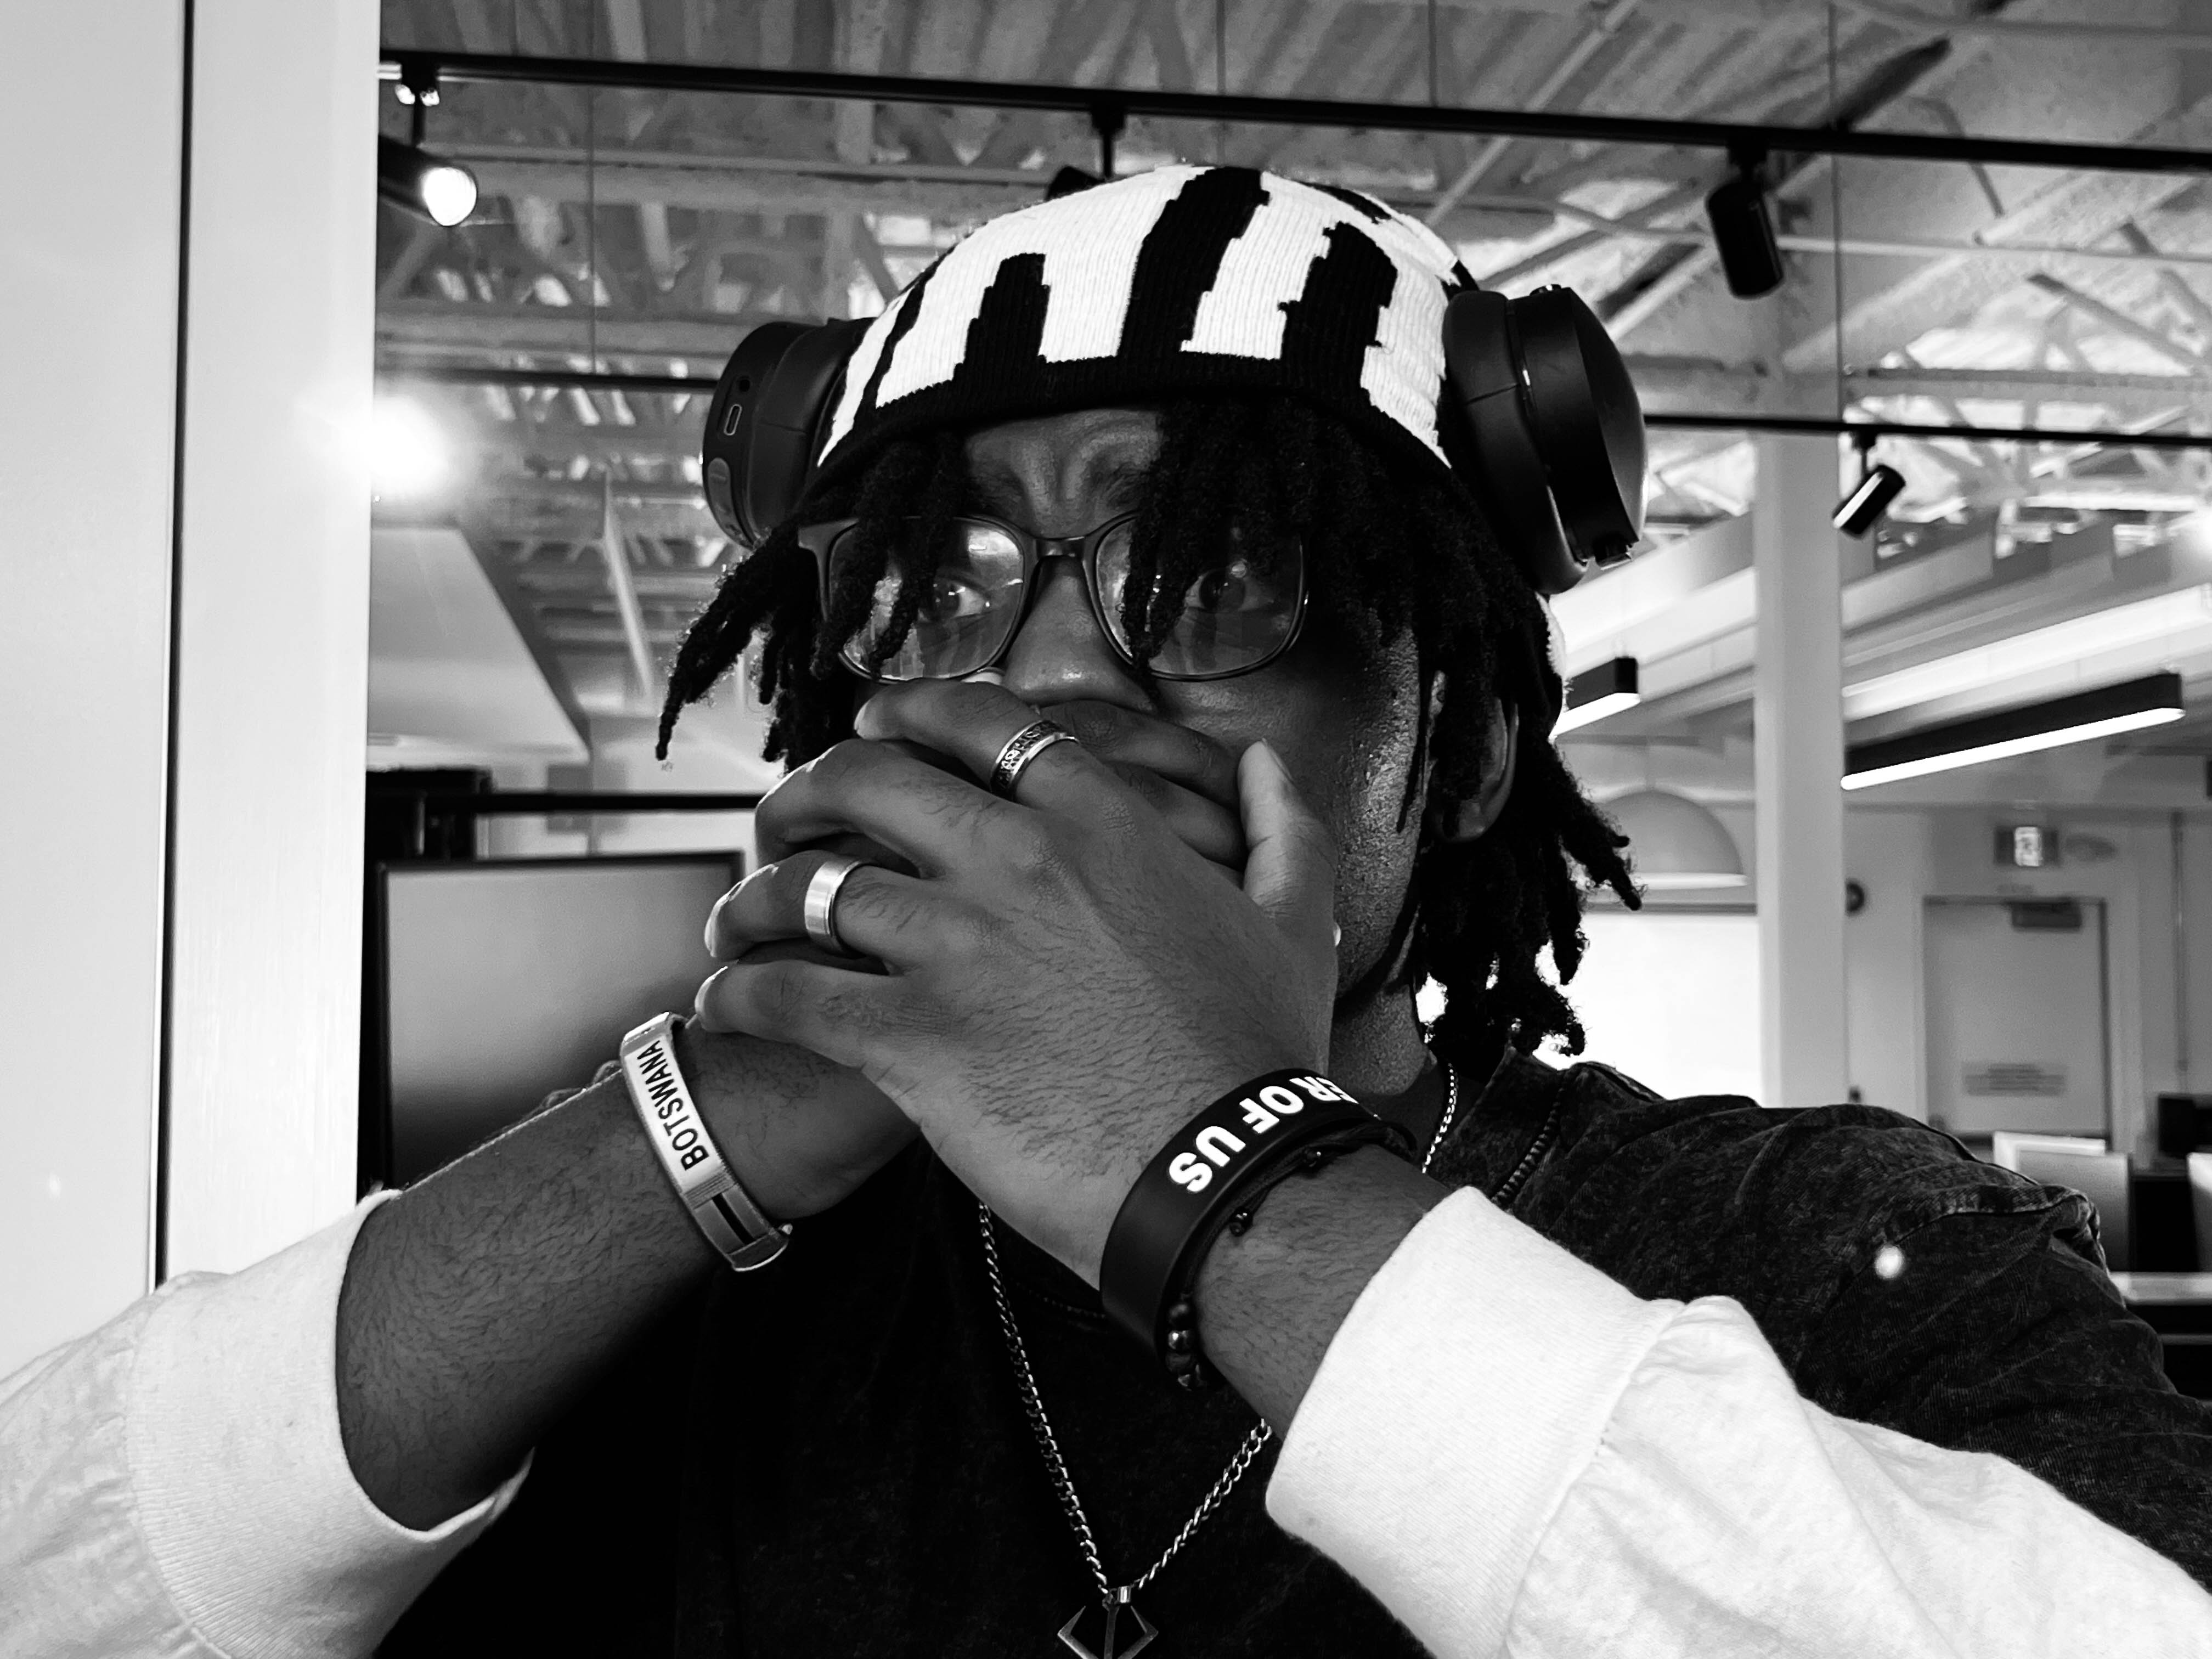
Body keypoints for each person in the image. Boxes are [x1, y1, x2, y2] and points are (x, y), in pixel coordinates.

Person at [7, 164, 2211, 1657]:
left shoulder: (1815, 1251)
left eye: (1213, 570)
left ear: (1449, 753)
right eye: (940, 583)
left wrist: (1223, 1166)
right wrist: (705, 1130)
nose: (1050, 670)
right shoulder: (698, 1320)